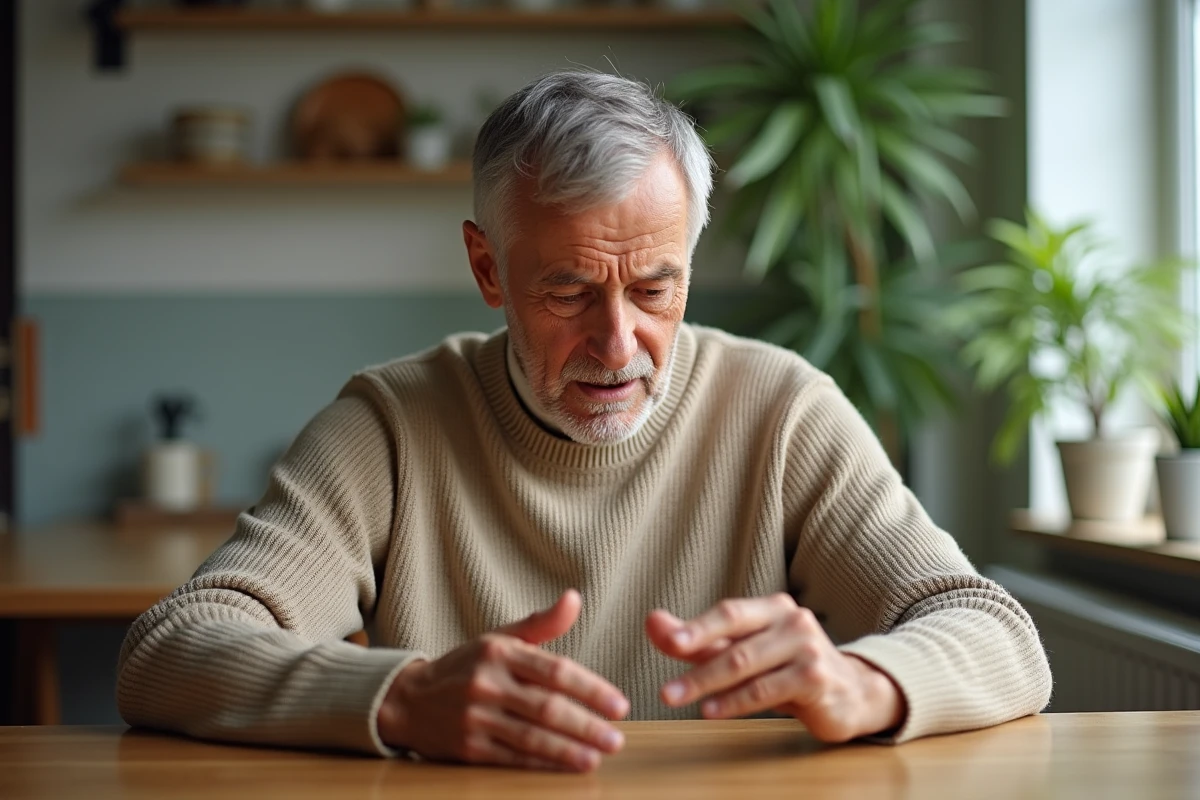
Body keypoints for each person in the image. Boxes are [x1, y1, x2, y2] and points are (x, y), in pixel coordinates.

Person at [117, 71, 1052, 773]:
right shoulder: (393, 424)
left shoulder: (782, 409)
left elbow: (994, 633)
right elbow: (170, 649)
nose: (618, 344)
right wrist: (398, 700)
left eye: (656, 288)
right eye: (567, 291)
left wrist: (863, 682)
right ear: (489, 270)